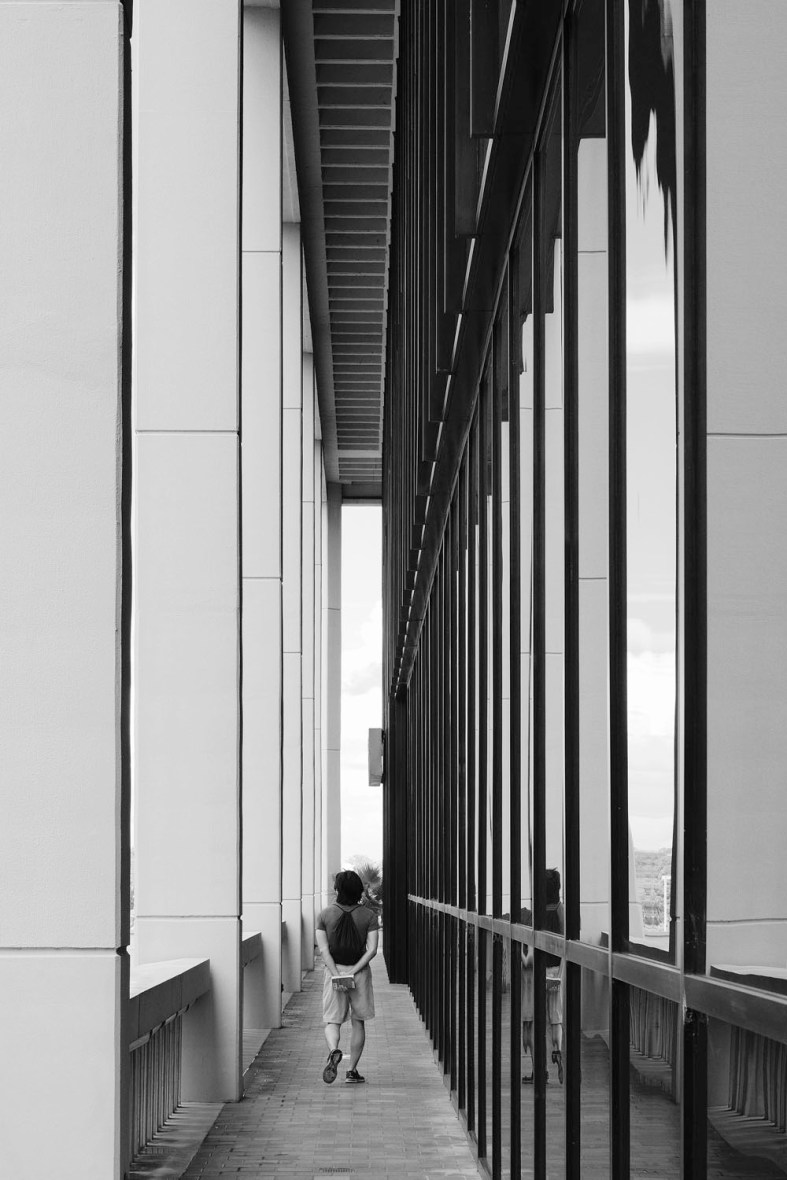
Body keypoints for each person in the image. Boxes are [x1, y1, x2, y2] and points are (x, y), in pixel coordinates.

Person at [315, 869, 379, 1084]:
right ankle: (351, 1071)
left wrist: (337, 975)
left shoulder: (325, 915)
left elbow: (324, 950)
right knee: (358, 1022)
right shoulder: (369, 916)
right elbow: (372, 949)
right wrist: (353, 971)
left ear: (337, 890)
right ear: (359, 890)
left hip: (334, 972)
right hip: (359, 974)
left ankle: (334, 1050)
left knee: (332, 1021)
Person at [521, 868, 565, 1085]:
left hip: (537, 974)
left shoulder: (536, 914)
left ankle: (539, 1069)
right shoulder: (560, 909)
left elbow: (529, 950)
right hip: (555, 972)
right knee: (555, 1015)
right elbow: (566, 941)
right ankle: (557, 1050)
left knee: (532, 1021)